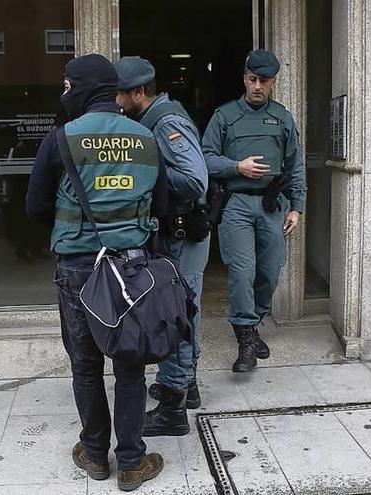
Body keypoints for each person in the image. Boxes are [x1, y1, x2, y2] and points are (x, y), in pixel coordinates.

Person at [26, 53, 168, 492]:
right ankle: (130, 462)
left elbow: (34, 207)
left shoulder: (61, 138)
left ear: (86, 88)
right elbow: (162, 207)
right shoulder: (145, 137)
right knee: (129, 364)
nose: (64, 93)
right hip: (131, 268)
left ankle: (93, 453)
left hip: (78, 268)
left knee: (85, 365)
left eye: (68, 86)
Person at [114, 56, 209, 437]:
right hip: (177, 233)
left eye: (120, 94)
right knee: (183, 309)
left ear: (139, 92)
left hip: (181, 234)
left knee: (175, 314)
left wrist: (146, 172)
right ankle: (188, 387)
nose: (117, 102)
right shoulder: (153, 118)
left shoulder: (166, 122)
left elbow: (195, 180)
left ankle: (173, 406)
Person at [201, 49, 307, 373]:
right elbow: (204, 158)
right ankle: (245, 339)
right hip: (235, 204)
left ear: (274, 82)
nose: (257, 86)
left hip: (272, 205)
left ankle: (254, 320)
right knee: (242, 272)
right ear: (244, 78)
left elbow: (296, 164)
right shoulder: (225, 116)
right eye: (252, 79)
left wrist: (297, 208)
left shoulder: (282, 117)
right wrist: (236, 166)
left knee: (270, 271)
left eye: (264, 81)